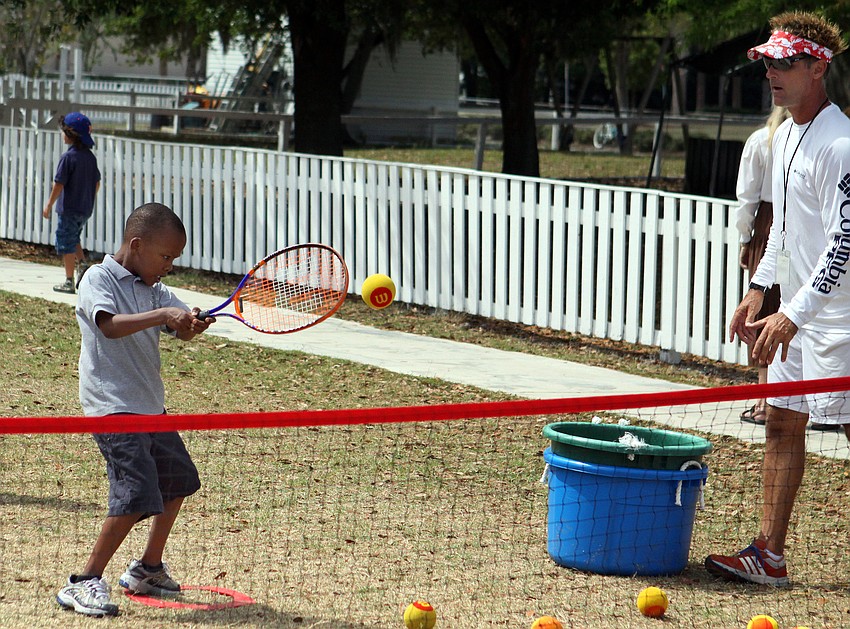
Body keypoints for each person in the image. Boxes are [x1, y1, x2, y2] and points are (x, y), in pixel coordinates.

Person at [706, 11, 850, 586]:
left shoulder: (841, 143)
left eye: (787, 62)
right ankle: (768, 553)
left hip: (840, 321)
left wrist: (794, 312)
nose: (773, 72)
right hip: (798, 314)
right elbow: (786, 231)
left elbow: (845, 242)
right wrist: (759, 290)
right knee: (782, 424)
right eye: (769, 61)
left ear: (819, 67)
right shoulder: (785, 134)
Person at [56, 203, 214, 617]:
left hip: (150, 407)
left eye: (174, 259)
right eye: (166, 257)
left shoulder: (156, 288)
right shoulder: (98, 278)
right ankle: (83, 581)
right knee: (134, 494)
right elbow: (108, 326)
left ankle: (147, 569)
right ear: (137, 245)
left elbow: (177, 325)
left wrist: (189, 323)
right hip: (112, 408)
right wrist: (164, 314)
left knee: (179, 481)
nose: (169, 267)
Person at [735, 106, 788, 426]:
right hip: (794, 227)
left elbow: (746, 199)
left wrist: (745, 239)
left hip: (770, 227)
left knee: (766, 308)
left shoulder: (760, 141)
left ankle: (764, 400)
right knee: (786, 306)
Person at [42, 112, 101, 294]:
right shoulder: (90, 158)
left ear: (70, 134)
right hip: (85, 209)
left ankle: (68, 281)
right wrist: (89, 198)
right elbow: (97, 182)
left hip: (68, 208)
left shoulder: (68, 158)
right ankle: (82, 264)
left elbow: (59, 183)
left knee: (66, 243)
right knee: (73, 236)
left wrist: (49, 204)